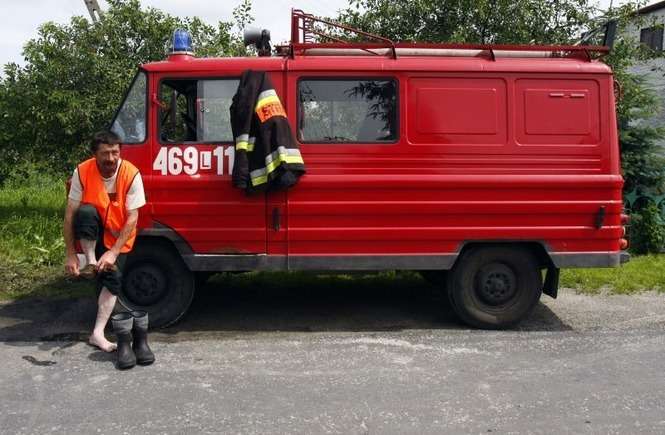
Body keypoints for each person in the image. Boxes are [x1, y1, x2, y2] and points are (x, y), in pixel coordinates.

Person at [63, 131, 146, 352]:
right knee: (85, 212)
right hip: (94, 233)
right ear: (94, 154)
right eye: (105, 153)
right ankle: (91, 262)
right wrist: (71, 254)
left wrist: (113, 252)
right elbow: (70, 215)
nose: (110, 158)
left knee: (113, 279)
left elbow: (133, 217)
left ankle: (97, 334)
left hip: (118, 238)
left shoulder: (131, 173)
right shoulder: (82, 171)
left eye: (115, 153)